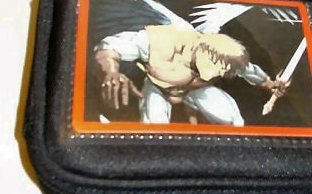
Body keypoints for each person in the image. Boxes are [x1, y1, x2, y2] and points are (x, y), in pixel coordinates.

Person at [92, 24, 287, 126]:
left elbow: (247, 69)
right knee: (154, 129)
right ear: (203, 51)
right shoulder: (163, 42)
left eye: (223, 70)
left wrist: (269, 83)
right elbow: (110, 47)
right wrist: (111, 71)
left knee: (233, 121)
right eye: (217, 66)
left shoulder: (224, 60)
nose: (219, 73)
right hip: (159, 89)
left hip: (195, 91)